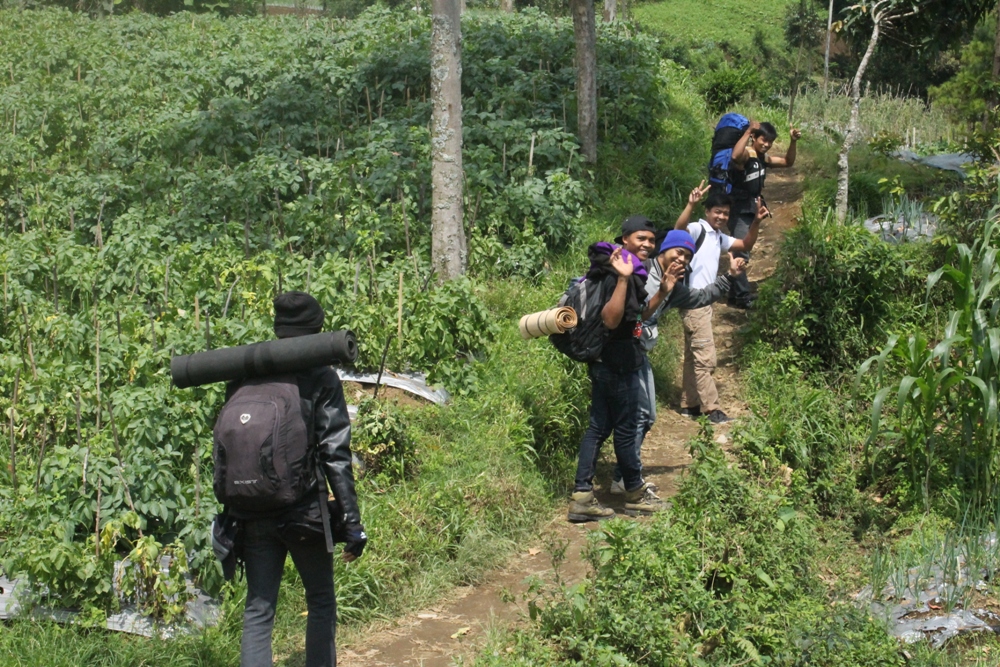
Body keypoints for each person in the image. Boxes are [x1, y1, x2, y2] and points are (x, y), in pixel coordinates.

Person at [234, 291, 367, 667]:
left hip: (252, 509)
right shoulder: (321, 377)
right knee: (320, 600)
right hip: (304, 512)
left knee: (258, 611)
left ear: (278, 328)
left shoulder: (247, 372)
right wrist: (352, 522)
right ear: (317, 330)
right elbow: (334, 454)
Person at [607, 228, 747, 495]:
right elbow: (632, 313)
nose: (682, 259)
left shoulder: (675, 287)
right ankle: (618, 479)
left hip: (637, 353)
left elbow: (701, 297)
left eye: (687, 257)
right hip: (619, 351)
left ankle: (622, 476)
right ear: (664, 250)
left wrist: (729, 276)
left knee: (645, 416)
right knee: (622, 419)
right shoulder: (642, 271)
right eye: (678, 252)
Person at [567, 243, 668, 522]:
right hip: (618, 365)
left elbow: (633, 318)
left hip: (603, 361)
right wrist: (623, 278)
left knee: (598, 428)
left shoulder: (614, 273)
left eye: (652, 239)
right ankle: (634, 493)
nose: (648, 244)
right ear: (625, 239)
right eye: (641, 238)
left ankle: (582, 496)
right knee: (626, 429)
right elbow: (611, 320)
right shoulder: (619, 274)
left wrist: (662, 292)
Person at [674, 185, 769, 424]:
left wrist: (756, 221)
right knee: (706, 358)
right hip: (694, 302)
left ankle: (690, 404)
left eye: (726, 213)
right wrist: (690, 204)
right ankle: (711, 409)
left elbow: (745, 245)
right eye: (717, 211)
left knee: (693, 356)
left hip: (703, 303)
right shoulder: (698, 229)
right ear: (707, 211)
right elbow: (678, 231)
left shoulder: (718, 237)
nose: (722, 216)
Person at [726, 122, 800, 308]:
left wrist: (793, 141)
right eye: (763, 140)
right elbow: (735, 156)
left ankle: (734, 295)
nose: (766, 144)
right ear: (754, 138)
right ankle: (742, 297)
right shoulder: (747, 154)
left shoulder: (762, 158)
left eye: (770, 142)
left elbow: (787, 162)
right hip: (739, 209)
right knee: (741, 252)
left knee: (743, 250)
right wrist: (748, 131)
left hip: (750, 209)